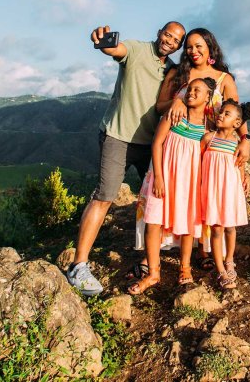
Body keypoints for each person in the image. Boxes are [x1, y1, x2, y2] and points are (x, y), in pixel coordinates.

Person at [66, 21, 186, 296]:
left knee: (157, 199)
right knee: (105, 196)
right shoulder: (136, 49)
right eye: (168, 34)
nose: (170, 41)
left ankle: (149, 257)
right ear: (159, 33)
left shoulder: (173, 71)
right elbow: (114, 49)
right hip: (118, 137)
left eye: (176, 40)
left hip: (151, 143)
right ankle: (79, 266)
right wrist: (102, 42)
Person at [130, 28, 250, 272]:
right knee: (166, 200)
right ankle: (153, 254)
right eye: (189, 46)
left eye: (199, 46)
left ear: (210, 47)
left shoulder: (224, 79)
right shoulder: (178, 73)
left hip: (208, 148)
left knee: (197, 199)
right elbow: (159, 105)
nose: (193, 51)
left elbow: (235, 112)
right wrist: (178, 99)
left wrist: (245, 139)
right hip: (177, 143)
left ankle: (202, 249)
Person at [128, 77, 217, 295]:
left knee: (188, 224)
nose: (191, 92)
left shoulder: (208, 124)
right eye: (189, 88)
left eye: (198, 90)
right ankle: (153, 273)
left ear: (208, 97)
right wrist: (158, 176)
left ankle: (185, 268)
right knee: (153, 221)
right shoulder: (175, 114)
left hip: (190, 182)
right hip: (165, 177)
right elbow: (157, 143)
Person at [201, 99, 250, 289]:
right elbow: (198, 163)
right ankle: (221, 270)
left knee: (230, 228)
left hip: (230, 191)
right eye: (221, 112)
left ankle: (229, 260)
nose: (221, 115)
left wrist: (244, 178)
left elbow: (239, 166)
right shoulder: (208, 138)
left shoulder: (237, 143)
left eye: (227, 114)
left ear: (236, 123)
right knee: (216, 229)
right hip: (212, 190)